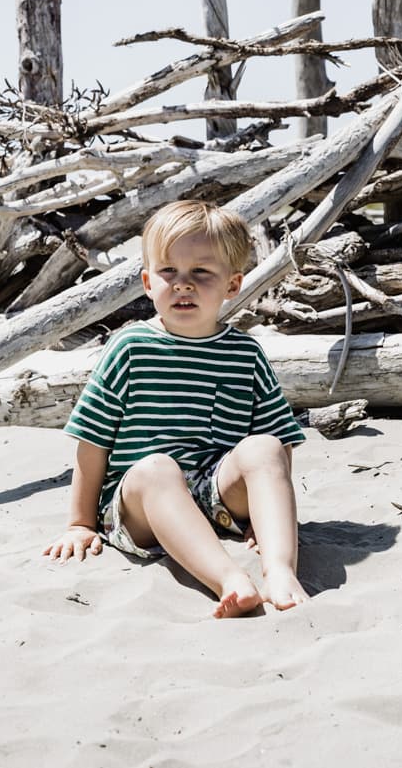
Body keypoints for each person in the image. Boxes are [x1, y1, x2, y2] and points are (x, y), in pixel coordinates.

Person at [42, 200, 309, 617]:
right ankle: (229, 580)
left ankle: (279, 569)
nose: (183, 284)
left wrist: (259, 516)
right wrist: (80, 522)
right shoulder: (131, 348)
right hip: (139, 508)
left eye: (201, 272)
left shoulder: (245, 353)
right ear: (148, 282)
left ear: (233, 285)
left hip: (214, 495)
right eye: (170, 272)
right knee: (157, 469)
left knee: (265, 447)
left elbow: (278, 446)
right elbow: (92, 439)